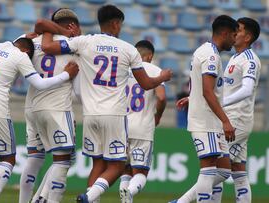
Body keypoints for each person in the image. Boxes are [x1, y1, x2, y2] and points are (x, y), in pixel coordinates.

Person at [34, 4, 172, 202]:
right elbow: (146, 83)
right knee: (117, 166)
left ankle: (90, 198)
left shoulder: (85, 42)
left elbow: (47, 47)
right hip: (115, 115)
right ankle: (89, 197)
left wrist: (54, 30)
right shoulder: (128, 50)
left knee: (97, 166)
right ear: (116, 24)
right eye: (120, 24)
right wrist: (162, 77)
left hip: (90, 115)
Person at [0, 37, 79, 203]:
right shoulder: (20, 55)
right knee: (8, 159)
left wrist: (33, 35)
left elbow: (21, 40)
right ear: (27, 52)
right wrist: (66, 74)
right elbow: (40, 84)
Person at [171, 15, 238, 203]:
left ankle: (180, 202)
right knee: (207, 171)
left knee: (224, 171)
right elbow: (208, 92)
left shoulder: (207, 51)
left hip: (210, 121)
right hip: (206, 121)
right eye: (233, 35)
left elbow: (202, 87)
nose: (234, 40)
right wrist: (226, 120)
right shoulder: (210, 55)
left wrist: (191, 96)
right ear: (224, 33)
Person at [19, 8, 81, 203]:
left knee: (35, 158)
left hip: (33, 107)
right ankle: (46, 199)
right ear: (73, 25)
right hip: (57, 108)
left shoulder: (31, 41)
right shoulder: (75, 44)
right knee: (64, 160)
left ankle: (33, 199)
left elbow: (38, 26)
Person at [119, 40, 167, 203]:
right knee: (140, 173)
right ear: (150, 56)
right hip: (142, 127)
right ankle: (130, 192)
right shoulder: (155, 70)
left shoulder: (124, 69)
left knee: (125, 170)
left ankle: (126, 198)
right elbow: (161, 97)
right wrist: (158, 116)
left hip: (121, 127)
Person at [221, 17, 261, 203]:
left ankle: (184, 200)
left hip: (236, 120)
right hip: (232, 118)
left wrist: (221, 102)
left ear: (248, 37)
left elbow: (246, 89)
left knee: (215, 167)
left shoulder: (250, 60)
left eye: (239, 29)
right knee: (238, 169)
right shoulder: (234, 57)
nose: (234, 32)